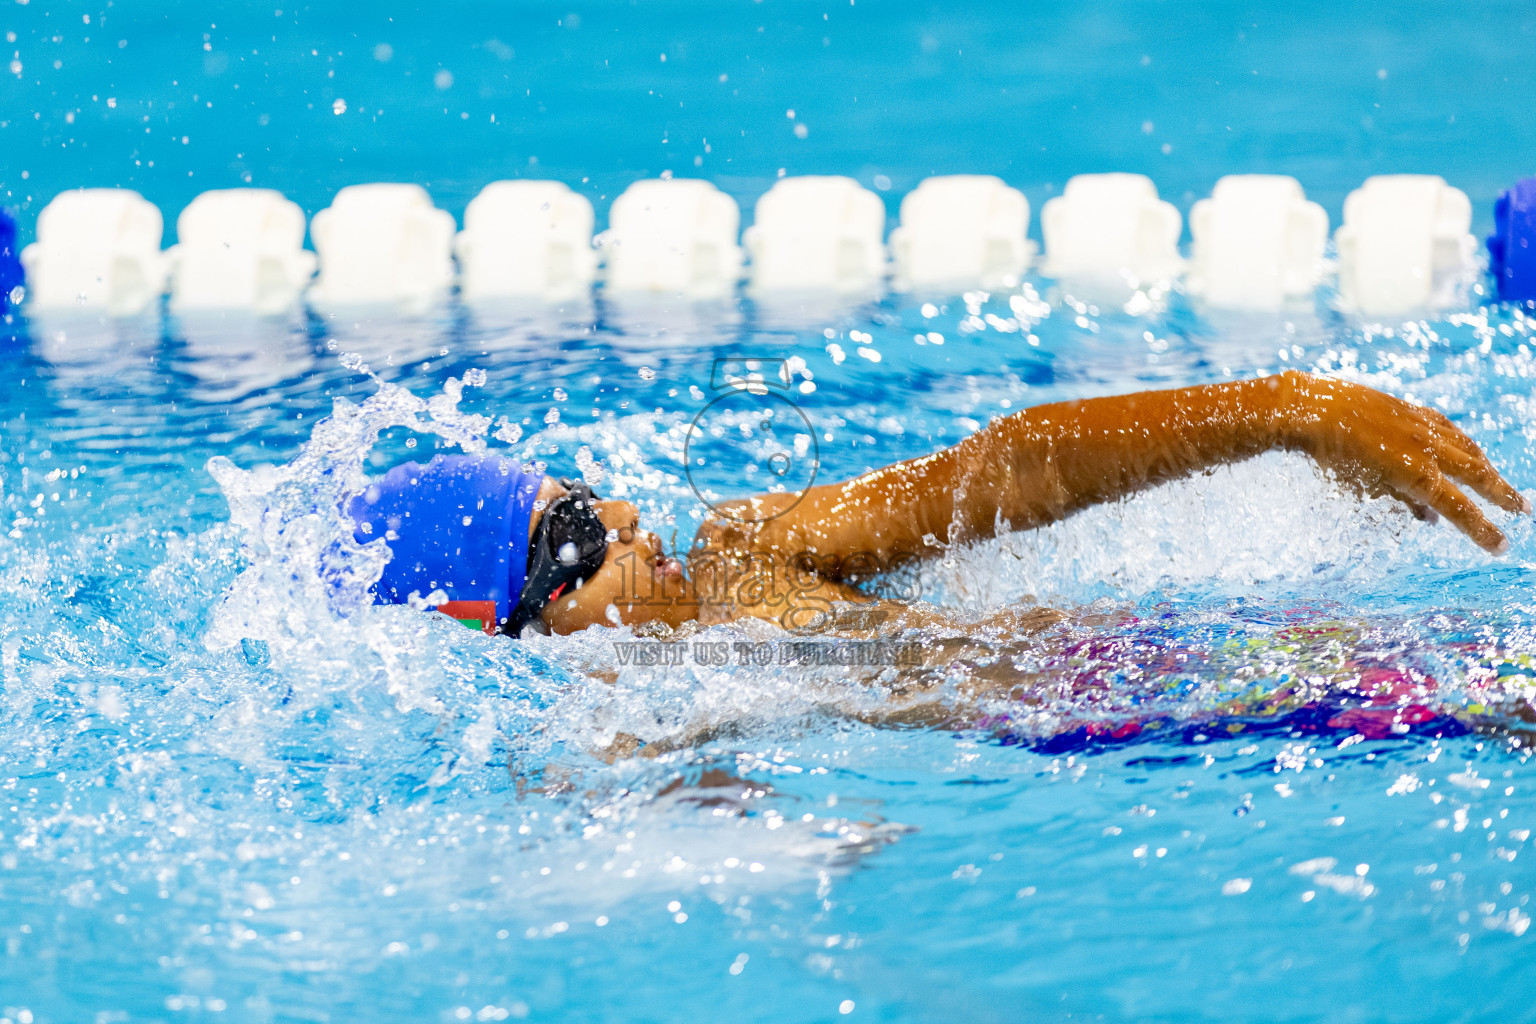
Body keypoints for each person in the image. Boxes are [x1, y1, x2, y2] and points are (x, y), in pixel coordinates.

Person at [348, 370, 1528, 638]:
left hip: (1172, 695)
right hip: (1167, 742)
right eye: (576, 537)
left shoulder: (746, 556)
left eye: (594, 498)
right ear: (480, 617)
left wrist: (1285, 410)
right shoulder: (585, 745)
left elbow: (996, 477)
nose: (631, 527)